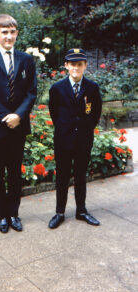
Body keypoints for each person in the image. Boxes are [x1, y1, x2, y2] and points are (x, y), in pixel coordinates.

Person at [0, 14, 37, 233]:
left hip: (18, 126)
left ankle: (14, 213)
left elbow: (31, 93)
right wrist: (6, 116)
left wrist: (18, 116)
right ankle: (1, 216)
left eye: (12, 32)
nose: (9, 36)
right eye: (4, 32)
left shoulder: (26, 60)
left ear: (17, 33)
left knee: (14, 172)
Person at [48, 48, 102, 229]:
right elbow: (54, 113)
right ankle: (59, 212)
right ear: (66, 66)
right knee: (62, 176)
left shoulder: (92, 88)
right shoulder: (57, 88)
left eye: (80, 64)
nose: (76, 68)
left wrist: (84, 130)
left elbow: (95, 114)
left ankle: (81, 210)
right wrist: (66, 129)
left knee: (80, 175)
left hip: (83, 139)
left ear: (85, 65)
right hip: (63, 140)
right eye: (72, 64)